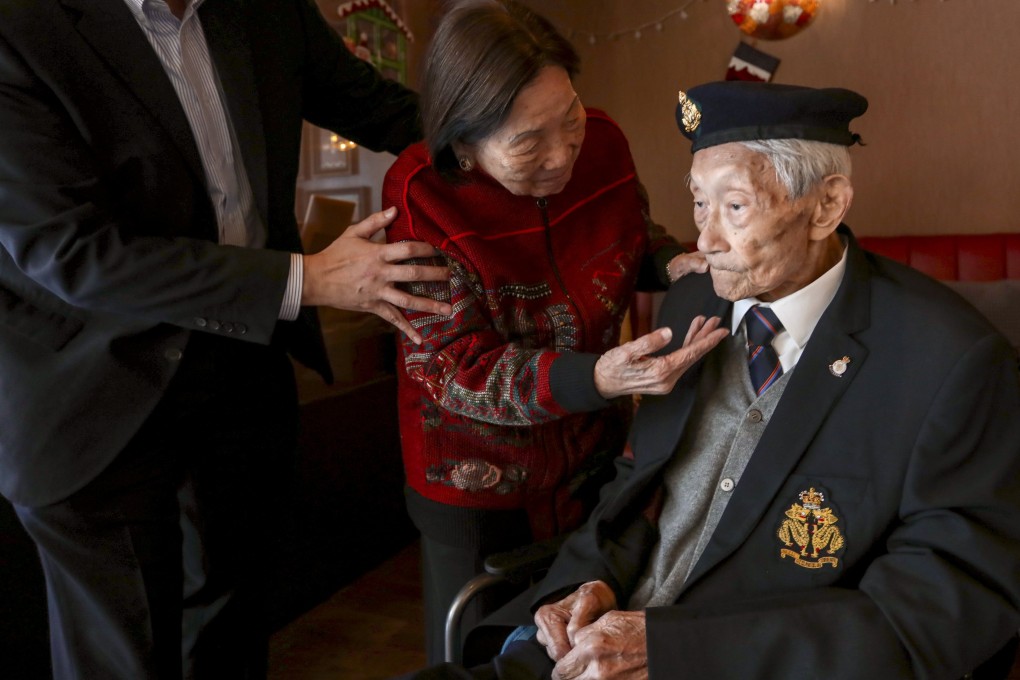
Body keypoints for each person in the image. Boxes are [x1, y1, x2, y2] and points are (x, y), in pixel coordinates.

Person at [401, 81, 1020, 680]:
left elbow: (941, 609)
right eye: (699, 201)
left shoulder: (949, 361)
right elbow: (639, 488)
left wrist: (676, 650)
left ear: (826, 204)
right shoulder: (695, 298)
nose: (705, 238)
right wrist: (588, 585)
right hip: (583, 647)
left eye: (735, 206)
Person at [0, 0, 453, 678]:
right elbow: (75, 255)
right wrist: (306, 280)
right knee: (126, 661)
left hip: (241, 367)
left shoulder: (267, 13)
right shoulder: (19, 27)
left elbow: (384, 110)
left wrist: (512, 131)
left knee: (235, 634)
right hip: (89, 389)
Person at [382, 0, 725, 665]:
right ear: (462, 141)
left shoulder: (604, 144)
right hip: (475, 481)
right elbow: (456, 369)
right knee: (484, 654)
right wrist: (595, 377)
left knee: (583, 643)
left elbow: (629, 237)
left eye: (568, 118)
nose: (564, 152)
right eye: (528, 141)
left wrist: (667, 260)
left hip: (594, 456)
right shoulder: (420, 196)